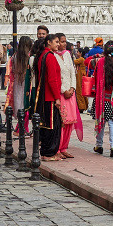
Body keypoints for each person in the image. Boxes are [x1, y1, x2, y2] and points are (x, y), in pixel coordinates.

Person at [33, 33, 63, 161]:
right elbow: (52, 79)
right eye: (56, 42)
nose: (58, 44)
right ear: (49, 42)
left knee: (46, 126)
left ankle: (47, 152)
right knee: (52, 127)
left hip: (44, 96)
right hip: (50, 97)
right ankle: (48, 153)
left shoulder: (42, 55)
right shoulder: (50, 56)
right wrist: (57, 97)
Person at [93, 41, 113, 157]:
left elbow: (94, 76)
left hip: (101, 98)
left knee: (101, 121)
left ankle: (99, 145)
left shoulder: (100, 62)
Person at [5, 35, 34, 135]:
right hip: (26, 84)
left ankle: (22, 129)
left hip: (17, 83)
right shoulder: (28, 57)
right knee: (25, 107)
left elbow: (12, 70)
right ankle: (20, 130)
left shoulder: (15, 56)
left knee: (20, 106)